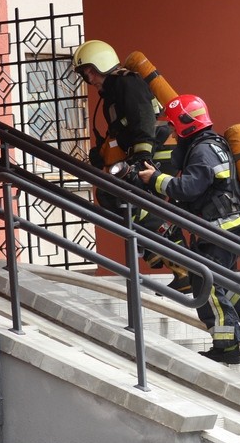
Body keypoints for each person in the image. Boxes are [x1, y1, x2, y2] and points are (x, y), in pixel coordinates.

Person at [138, 94, 240, 364]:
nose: (170, 133)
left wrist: (156, 179)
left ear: (183, 124)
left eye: (172, 126)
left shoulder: (202, 150)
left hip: (222, 227)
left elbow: (190, 187)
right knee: (211, 276)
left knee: (207, 283)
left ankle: (226, 346)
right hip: (226, 226)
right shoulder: (211, 145)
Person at [72, 39, 189, 292]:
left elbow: (143, 116)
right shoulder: (112, 93)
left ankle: (173, 260)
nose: (89, 77)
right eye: (84, 73)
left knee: (125, 198)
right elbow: (121, 130)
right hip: (147, 151)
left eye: (91, 70)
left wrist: (141, 157)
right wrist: (102, 153)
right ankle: (167, 260)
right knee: (111, 195)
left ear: (103, 63)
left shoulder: (127, 82)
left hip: (157, 152)